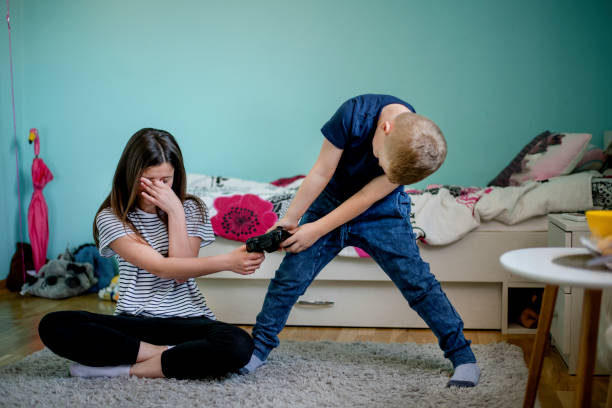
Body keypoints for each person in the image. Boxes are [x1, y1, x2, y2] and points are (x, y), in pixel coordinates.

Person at [240, 94, 480, 387]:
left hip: (381, 211)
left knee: (418, 283)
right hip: (329, 201)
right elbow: (321, 172)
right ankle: (259, 348)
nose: (379, 164)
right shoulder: (352, 115)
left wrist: (315, 230)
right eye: (381, 160)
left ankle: (463, 355)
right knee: (289, 279)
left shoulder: (414, 147)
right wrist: (290, 220)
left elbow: (367, 197)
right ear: (386, 128)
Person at [38, 128, 265, 380]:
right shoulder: (112, 217)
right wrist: (227, 262)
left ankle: (127, 370)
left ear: (175, 176)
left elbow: (182, 272)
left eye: (165, 180)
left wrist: (176, 212)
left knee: (239, 344)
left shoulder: (192, 209)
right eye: (148, 180)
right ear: (130, 175)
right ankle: (170, 355)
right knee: (54, 325)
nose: (159, 188)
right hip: (136, 323)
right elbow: (161, 268)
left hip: (189, 319)